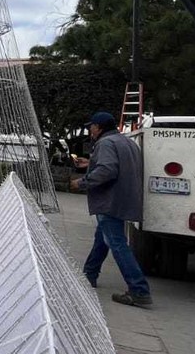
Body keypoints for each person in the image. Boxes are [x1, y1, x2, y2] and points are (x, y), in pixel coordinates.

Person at [71, 111, 153, 308]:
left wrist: (82, 182)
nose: (90, 129)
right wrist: (89, 163)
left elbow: (108, 170)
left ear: (98, 127)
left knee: (116, 243)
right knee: (103, 238)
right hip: (124, 199)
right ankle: (89, 275)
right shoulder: (125, 142)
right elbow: (116, 165)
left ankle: (139, 290)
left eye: (91, 126)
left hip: (110, 201)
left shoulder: (105, 143)